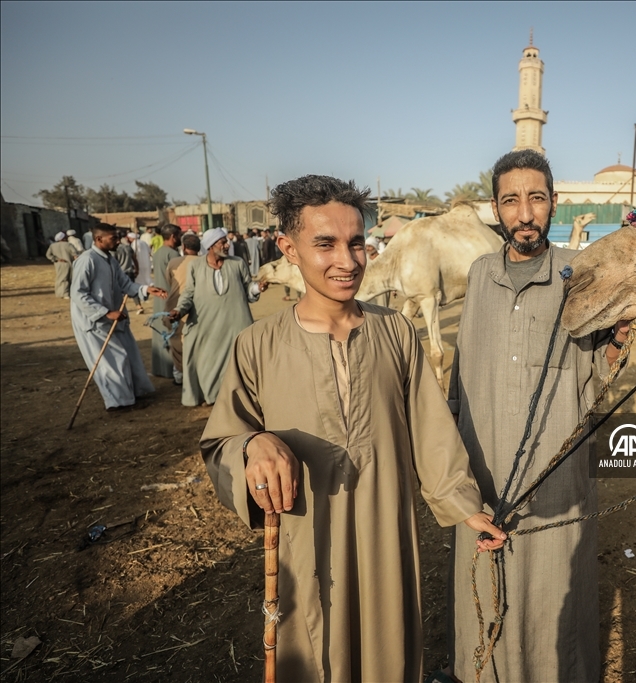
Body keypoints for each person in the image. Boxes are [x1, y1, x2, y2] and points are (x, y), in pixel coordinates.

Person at [200, 175, 505, 682]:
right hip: (306, 535)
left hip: (388, 527)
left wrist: (465, 506)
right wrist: (254, 444)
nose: (347, 261)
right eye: (326, 244)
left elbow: (430, 427)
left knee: (390, 648)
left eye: (356, 243)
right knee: (314, 649)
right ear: (288, 248)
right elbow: (222, 442)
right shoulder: (256, 345)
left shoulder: (396, 331)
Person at [447, 150, 629, 682]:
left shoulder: (578, 279)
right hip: (481, 466)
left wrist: (616, 345)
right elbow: (463, 374)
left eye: (536, 198)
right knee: (481, 584)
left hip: (555, 472)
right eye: (511, 200)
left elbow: (594, 379)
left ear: (554, 204)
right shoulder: (479, 275)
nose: (524, 213)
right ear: (495, 209)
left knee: (553, 595)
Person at [70, 223, 167, 409]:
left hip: (115, 317)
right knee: (112, 360)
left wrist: (147, 289)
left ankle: (133, 394)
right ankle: (118, 402)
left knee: (129, 354)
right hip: (94, 321)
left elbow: (125, 284)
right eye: (113, 238)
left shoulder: (110, 259)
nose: (117, 241)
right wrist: (105, 313)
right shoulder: (87, 260)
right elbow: (78, 293)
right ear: (99, 239)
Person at [168, 227, 268, 406]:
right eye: (222, 242)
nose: (227, 245)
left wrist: (257, 288)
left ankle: (241, 398)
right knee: (206, 362)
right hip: (207, 324)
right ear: (211, 246)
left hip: (235, 323)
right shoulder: (196, 266)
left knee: (240, 361)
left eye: (226, 241)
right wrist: (179, 310)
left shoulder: (237, 263)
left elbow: (248, 288)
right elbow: (188, 293)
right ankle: (212, 397)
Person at [164, 232, 200, 385]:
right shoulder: (204, 262)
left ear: (184, 247)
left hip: (175, 306)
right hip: (197, 307)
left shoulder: (174, 262)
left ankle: (180, 376)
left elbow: (169, 281)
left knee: (177, 341)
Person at [150, 224, 182, 379]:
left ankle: (161, 368)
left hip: (159, 296)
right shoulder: (173, 253)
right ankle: (173, 369)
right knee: (172, 333)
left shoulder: (158, 252)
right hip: (170, 297)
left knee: (160, 332)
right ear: (173, 236)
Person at [46, 232, 77, 298]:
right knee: (67, 279)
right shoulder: (68, 245)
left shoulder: (52, 246)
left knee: (59, 278)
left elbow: (48, 255)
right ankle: (66, 294)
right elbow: (75, 254)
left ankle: (59, 293)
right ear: (64, 238)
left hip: (58, 264)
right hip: (68, 263)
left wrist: (56, 259)